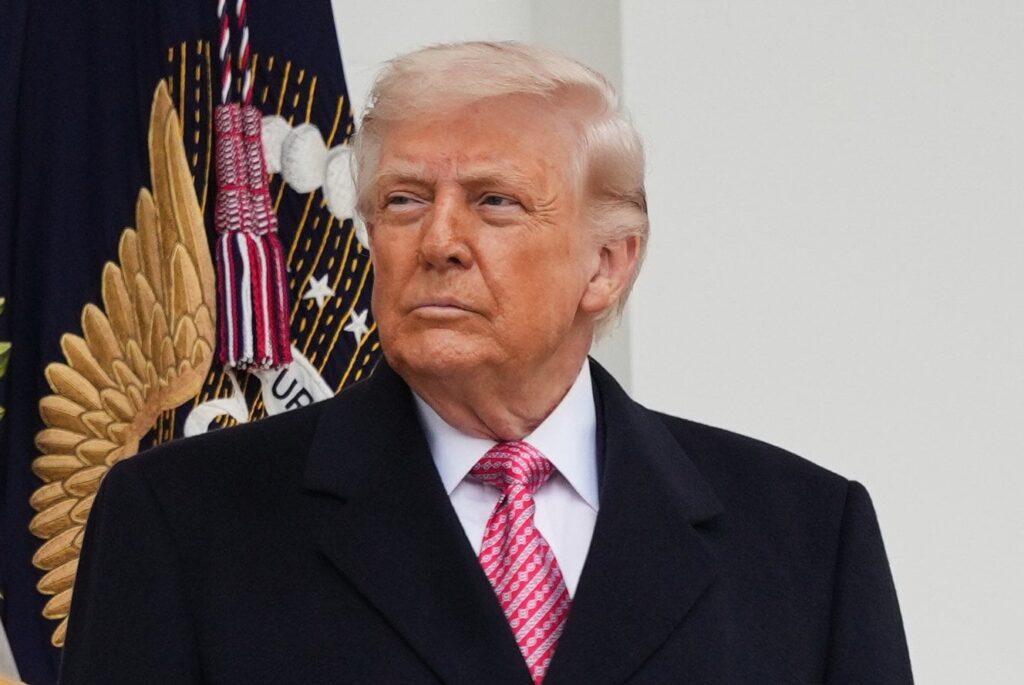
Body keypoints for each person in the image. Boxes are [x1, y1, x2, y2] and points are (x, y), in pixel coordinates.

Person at [59, 42, 913, 684]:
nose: (438, 241)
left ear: (607, 263)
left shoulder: (805, 536)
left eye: (494, 202)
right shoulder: (181, 521)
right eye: (404, 200)